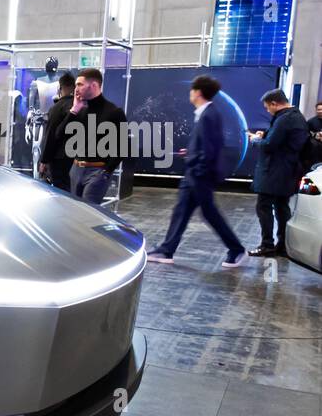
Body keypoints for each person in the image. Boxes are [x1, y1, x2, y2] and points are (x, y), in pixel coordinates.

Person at [147, 75, 246, 268]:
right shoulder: (205, 113)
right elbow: (206, 144)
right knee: (181, 211)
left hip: (200, 175)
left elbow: (211, 148)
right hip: (195, 172)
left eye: (192, 90)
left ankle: (236, 249)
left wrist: (199, 170)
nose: (190, 93)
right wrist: (191, 152)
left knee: (209, 213)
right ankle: (166, 251)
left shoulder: (209, 114)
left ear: (198, 92)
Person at [247, 89, 310, 256]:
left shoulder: (285, 119)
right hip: (287, 171)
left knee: (264, 206)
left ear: (275, 103)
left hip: (275, 171)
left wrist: (256, 140)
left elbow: (269, 146)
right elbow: (280, 140)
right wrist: (266, 135)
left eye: (268, 107)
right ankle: (283, 244)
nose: (268, 111)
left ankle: (267, 244)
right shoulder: (296, 116)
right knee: (282, 207)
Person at [60, 68, 127, 205]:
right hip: (76, 169)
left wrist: (106, 172)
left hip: (97, 171)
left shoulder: (114, 112)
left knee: (88, 213)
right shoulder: (80, 110)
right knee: (76, 212)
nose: (76, 88)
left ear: (94, 85)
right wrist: (74, 110)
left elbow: (123, 147)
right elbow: (59, 134)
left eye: (80, 84)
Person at [37, 72, 77, 191]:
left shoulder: (56, 108)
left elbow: (51, 136)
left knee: (62, 191)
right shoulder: (82, 107)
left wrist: (44, 161)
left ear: (60, 88)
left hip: (60, 159)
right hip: (78, 159)